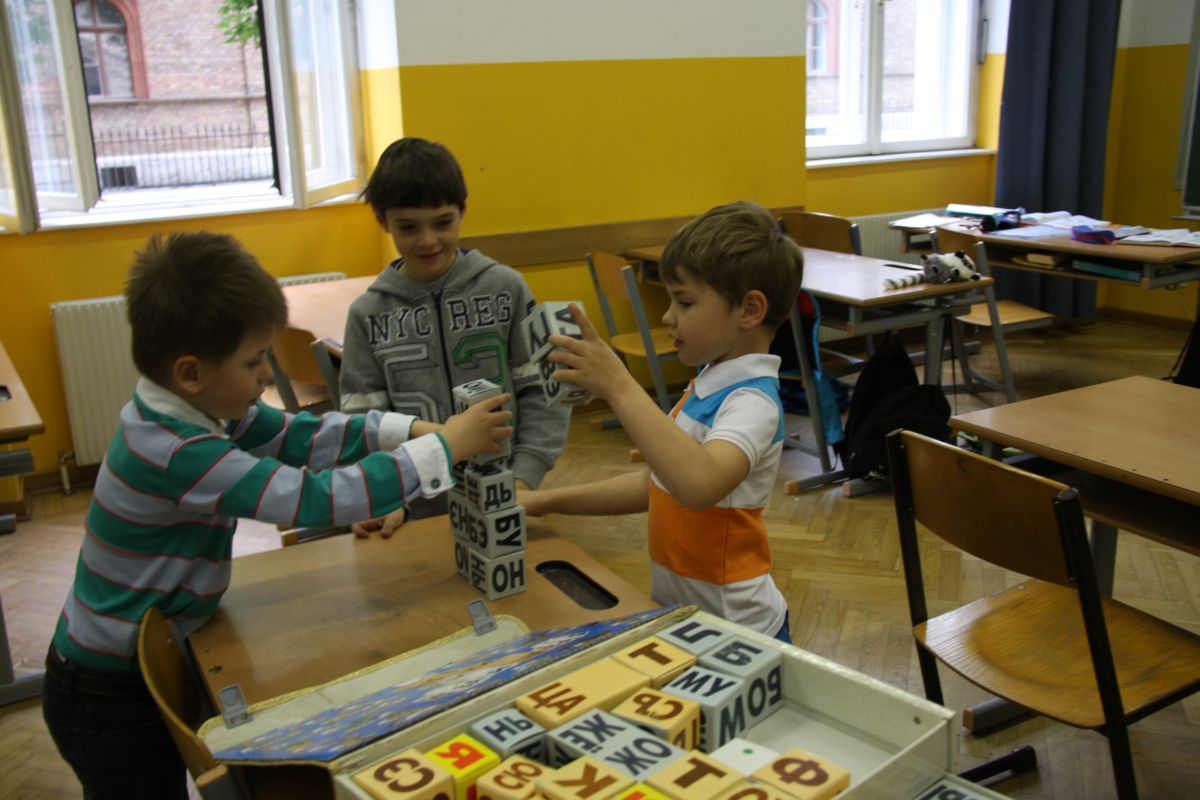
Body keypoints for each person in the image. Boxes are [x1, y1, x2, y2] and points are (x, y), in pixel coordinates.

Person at [41, 231, 512, 799]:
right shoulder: (178, 451)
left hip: (140, 658)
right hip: (107, 692)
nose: (266, 374)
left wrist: (410, 430)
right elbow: (313, 499)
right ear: (190, 372)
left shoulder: (193, 408)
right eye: (253, 361)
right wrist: (443, 448)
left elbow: (301, 436)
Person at [520, 201, 803, 642]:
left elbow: (697, 485)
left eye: (684, 302)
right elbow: (657, 486)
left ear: (749, 310)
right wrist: (545, 501)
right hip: (689, 623)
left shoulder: (752, 402)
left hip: (742, 635)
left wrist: (619, 385)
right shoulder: (709, 383)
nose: (668, 316)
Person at [339, 137, 569, 534]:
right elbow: (363, 421)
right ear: (382, 221)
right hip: (409, 512)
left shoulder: (507, 287)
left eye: (443, 223)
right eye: (408, 227)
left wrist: (524, 475)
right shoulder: (366, 313)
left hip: (505, 495)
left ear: (462, 211)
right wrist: (386, 497)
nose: (428, 240)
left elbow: (544, 389)